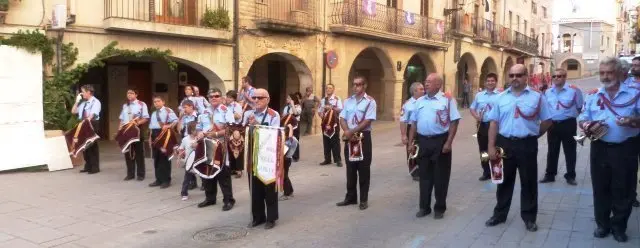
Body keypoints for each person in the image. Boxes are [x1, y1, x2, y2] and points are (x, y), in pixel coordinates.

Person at [578, 57, 640, 243]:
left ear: (620, 73)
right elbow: (582, 117)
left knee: (624, 188)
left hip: (625, 149)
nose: (605, 77)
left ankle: (619, 226)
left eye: (609, 72)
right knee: (601, 187)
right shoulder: (593, 95)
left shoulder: (634, 94)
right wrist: (586, 124)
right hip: (599, 147)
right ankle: (603, 224)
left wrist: (632, 121)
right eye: (602, 72)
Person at [484, 64, 552, 232]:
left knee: (528, 182)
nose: (515, 78)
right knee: (504, 181)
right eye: (512, 75)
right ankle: (500, 214)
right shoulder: (500, 98)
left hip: (526, 144)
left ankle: (529, 218)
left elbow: (548, 120)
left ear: (526, 76)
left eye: (519, 75)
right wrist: (491, 147)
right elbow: (493, 123)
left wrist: (534, 135)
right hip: (504, 143)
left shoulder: (537, 97)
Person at [407, 74, 461, 219]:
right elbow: (413, 123)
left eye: (430, 82)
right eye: (426, 81)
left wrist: (449, 142)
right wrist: (411, 143)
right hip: (423, 141)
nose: (426, 84)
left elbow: (454, 122)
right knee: (424, 176)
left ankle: (439, 208)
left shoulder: (447, 100)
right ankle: (424, 207)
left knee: (441, 177)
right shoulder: (419, 101)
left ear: (439, 85)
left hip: (440, 141)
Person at [335, 76, 377, 211]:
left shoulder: (370, 102)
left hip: (363, 137)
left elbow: (368, 121)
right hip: (350, 137)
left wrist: (351, 131)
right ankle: (351, 197)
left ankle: (363, 199)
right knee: (350, 168)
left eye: (358, 84)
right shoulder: (348, 101)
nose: (355, 87)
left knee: (363, 168)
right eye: (354, 84)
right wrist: (346, 131)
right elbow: (342, 117)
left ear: (364, 86)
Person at [243, 88, 281, 229]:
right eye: (255, 97)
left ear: (267, 100)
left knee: (269, 188)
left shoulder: (273, 115)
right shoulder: (248, 114)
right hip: (252, 156)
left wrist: (256, 125)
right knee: (255, 188)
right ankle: (258, 217)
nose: (257, 100)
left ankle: (271, 218)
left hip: (268, 157)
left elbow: (275, 134)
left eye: (260, 97)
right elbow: (241, 131)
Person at [539, 69, 584, 186]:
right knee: (552, 150)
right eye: (554, 76)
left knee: (570, 151)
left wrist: (570, 116)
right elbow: (545, 108)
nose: (556, 78)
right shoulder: (547, 92)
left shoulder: (574, 91)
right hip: (552, 124)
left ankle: (570, 175)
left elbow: (580, 107)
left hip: (568, 124)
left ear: (565, 77)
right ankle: (550, 174)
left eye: (560, 76)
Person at [196, 88, 236, 211]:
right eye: (211, 96)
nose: (214, 98)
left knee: (223, 174)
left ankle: (228, 200)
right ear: (208, 98)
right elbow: (198, 127)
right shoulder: (204, 112)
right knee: (208, 172)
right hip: (207, 145)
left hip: (221, 146)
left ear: (221, 97)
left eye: (216, 96)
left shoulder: (226, 111)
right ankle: (210, 198)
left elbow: (231, 129)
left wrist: (216, 134)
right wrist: (199, 133)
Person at [470, 73, 500, 181]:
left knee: (496, 149)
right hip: (482, 126)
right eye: (488, 81)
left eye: (492, 81)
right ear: (485, 82)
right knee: (483, 151)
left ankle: (496, 172)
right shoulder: (479, 95)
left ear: (496, 82)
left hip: (496, 126)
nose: (490, 82)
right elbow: (472, 108)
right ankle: (486, 172)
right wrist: (476, 116)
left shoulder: (501, 95)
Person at [118, 89, 149, 181]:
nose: (129, 95)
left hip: (137, 130)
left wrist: (137, 123)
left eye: (131, 93)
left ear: (136, 94)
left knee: (139, 152)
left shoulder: (141, 104)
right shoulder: (125, 105)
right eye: (128, 93)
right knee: (128, 152)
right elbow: (121, 119)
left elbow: (146, 118)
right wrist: (119, 129)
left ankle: (140, 174)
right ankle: (130, 174)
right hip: (126, 130)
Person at [148, 95, 178, 188]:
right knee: (156, 158)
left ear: (163, 102)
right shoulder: (153, 113)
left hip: (164, 135)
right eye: (155, 102)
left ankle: (166, 180)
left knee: (164, 158)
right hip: (155, 135)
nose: (156, 103)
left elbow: (175, 120)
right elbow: (151, 128)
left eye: (158, 101)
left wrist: (168, 126)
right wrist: (150, 138)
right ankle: (158, 179)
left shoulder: (168, 111)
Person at [71, 85, 102, 174]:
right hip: (83, 123)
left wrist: (86, 122)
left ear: (89, 92)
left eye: (83, 92)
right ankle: (88, 166)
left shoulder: (95, 102)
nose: (82, 94)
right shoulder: (83, 102)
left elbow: (92, 114)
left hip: (91, 123)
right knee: (84, 146)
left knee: (92, 145)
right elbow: (73, 111)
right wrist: (77, 102)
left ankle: (95, 167)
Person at [399, 82, 425, 181]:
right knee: (412, 149)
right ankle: (414, 171)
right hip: (412, 128)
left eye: (423, 89)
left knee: (422, 149)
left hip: (423, 128)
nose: (423, 91)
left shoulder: (425, 101)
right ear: (414, 91)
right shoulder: (408, 104)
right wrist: (403, 135)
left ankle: (423, 169)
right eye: (421, 89)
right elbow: (403, 120)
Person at [318, 84, 343, 167]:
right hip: (325, 124)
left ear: (333, 89)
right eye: (327, 88)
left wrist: (331, 107)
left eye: (330, 88)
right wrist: (321, 114)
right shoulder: (323, 100)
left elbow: (340, 109)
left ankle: (338, 160)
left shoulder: (337, 99)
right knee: (326, 141)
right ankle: (327, 159)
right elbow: (319, 111)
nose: (328, 89)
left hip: (334, 124)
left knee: (335, 142)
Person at [177, 100, 199, 190]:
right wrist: (180, 118)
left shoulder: (198, 116)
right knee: (189, 161)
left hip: (196, 140)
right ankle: (192, 182)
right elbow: (179, 130)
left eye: (185, 107)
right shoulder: (184, 117)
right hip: (186, 140)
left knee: (198, 161)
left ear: (191, 106)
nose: (184, 109)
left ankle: (205, 182)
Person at [225, 90, 245, 178]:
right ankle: (232, 168)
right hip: (228, 128)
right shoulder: (225, 106)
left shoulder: (237, 106)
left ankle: (239, 170)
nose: (227, 99)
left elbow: (238, 116)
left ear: (233, 98)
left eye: (229, 97)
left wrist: (229, 113)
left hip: (236, 128)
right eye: (227, 97)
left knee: (237, 149)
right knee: (230, 149)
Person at [176, 121, 198, 201]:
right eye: (196, 129)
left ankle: (207, 189)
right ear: (192, 131)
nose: (198, 131)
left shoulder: (199, 138)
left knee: (203, 177)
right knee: (187, 178)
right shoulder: (185, 139)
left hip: (198, 161)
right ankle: (184, 193)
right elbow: (181, 149)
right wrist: (179, 158)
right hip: (189, 161)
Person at [281, 119, 299, 201]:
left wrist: (291, 128)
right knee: (285, 176)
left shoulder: (292, 140)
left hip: (286, 159)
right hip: (285, 159)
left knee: (284, 176)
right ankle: (290, 191)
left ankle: (286, 194)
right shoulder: (288, 139)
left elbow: (289, 140)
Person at [282, 93, 302, 162]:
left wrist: (292, 104)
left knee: (295, 140)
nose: (287, 99)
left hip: (295, 126)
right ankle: (287, 154)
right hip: (287, 126)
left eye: (289, 98)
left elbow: (296, 113)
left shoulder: (297, 106)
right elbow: (284, 115)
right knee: (287, 140)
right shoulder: (286, 107)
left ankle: (295, 156)